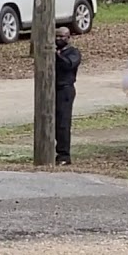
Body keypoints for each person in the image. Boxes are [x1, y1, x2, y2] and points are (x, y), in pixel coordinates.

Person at [54, 26, 81, 165]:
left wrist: (57, 56)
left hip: (65, 90)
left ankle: (64, 155)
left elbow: (68, 65)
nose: (58, 39)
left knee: (63, 123)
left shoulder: (73, 53)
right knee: (51, 122)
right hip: (51, 90)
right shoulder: (51, 52)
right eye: (56, 36)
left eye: (62, 37)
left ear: (68, 38)